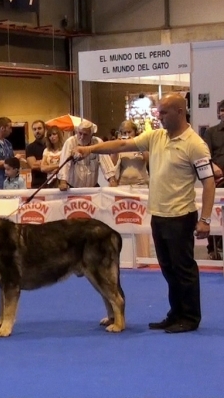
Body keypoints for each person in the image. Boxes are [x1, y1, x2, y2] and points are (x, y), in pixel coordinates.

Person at [74, 93, 216, 333]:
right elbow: (121, 145)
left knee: (183, 269)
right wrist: (90, 149)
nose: (158, 116)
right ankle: (176, 313)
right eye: (158, 112)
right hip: (159, 215)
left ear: (180, 112)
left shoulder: (195, 144)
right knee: (168, 268)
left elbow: (209, 182)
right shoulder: (156, 137)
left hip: (181, 216)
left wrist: (205, 219)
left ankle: (190, 317)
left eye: (163, 112)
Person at [57, 120, 118, 190]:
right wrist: (63, 182)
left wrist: (112, 180)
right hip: (73, 189)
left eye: (85, 134)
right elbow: (65, 164)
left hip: (92, 189)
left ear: (91, 135)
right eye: (80, 133)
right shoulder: (70, 142)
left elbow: (106, 163)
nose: (82, 137)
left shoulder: (98, 142)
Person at [201, 100, 224, 260]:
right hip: (218, 179)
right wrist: (213, 167)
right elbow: (204, 156)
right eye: (222, 110)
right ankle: (213, 248)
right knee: (215, 213)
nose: (223, 113)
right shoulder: (211, 132)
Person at [111, 120, 149, 186]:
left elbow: (148, 159)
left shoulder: (142, 143)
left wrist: (139, 143)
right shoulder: (120, 147)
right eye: (124, 133)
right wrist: (116, 145)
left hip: (141, 183)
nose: (127, 135)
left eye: (129, 132)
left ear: (135, 132)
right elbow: (113, 163)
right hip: (123, 183)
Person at [26, 120, 48, 189]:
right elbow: (33, 165)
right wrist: (51, 162)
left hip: (53, 183)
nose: (37, 131)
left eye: (39, 128)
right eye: (34, 129)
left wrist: (41, 163)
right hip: (38, 185)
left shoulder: (52, 145)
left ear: (45, 129)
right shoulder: (30, 147)